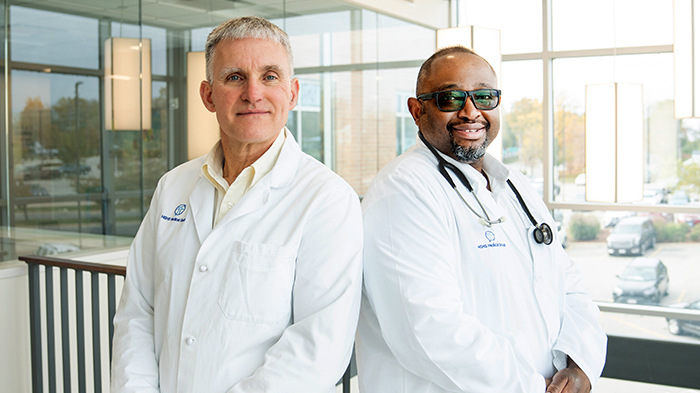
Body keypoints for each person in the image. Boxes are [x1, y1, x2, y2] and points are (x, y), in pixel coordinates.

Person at [111, 16, 363, 393]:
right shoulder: (173, 187)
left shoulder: (326, 200)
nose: (253, 93)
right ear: (208, 95)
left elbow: (316, 351)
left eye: (270, 76)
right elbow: (137, 313)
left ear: (293, 93)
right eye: (234, 77)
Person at [356, 46, 607, 393]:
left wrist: (581, 366)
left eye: (485, 97)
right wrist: (535, 388)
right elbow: (429, 331)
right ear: (417, 110)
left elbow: (569, 286)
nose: (470, 112)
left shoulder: (515, 186)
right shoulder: (402, 192)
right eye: (450, 98)